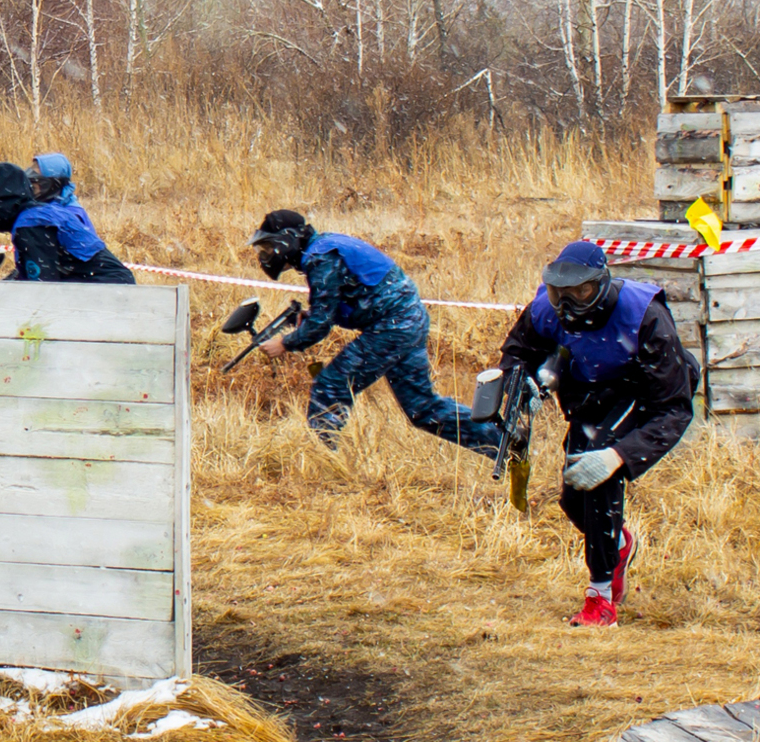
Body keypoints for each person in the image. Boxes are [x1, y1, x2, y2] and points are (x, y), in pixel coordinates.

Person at [500, 241, 698, 627]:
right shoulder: (546, 310)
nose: (568, 303)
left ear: (601, 283)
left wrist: (619, 456)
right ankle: (619, 545)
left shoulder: (645, 316)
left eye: (581, 292)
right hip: (589, 400)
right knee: (573, 500)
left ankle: (601, 597)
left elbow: (675, 409)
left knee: (598, 474)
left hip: (642, 394)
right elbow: (517, 352)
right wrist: (520, 385)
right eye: (560, 293)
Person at [251, 209, 501, 457]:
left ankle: (324, 460)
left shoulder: (321, 258)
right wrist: (308, 320)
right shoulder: (325, 247)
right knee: (422, 410)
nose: (266, 255)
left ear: (288, 239)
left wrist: (284, 343)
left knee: (331, 386)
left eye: (269, 247)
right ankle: (504, 443)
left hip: (393, 327)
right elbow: (348, 300)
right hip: (406, 321)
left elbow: (321, 324)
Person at [0, 162, 134, 284]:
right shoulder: (39, 214)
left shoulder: (32, 225)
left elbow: (42, 287)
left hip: (106, 294)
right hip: (106, 290)